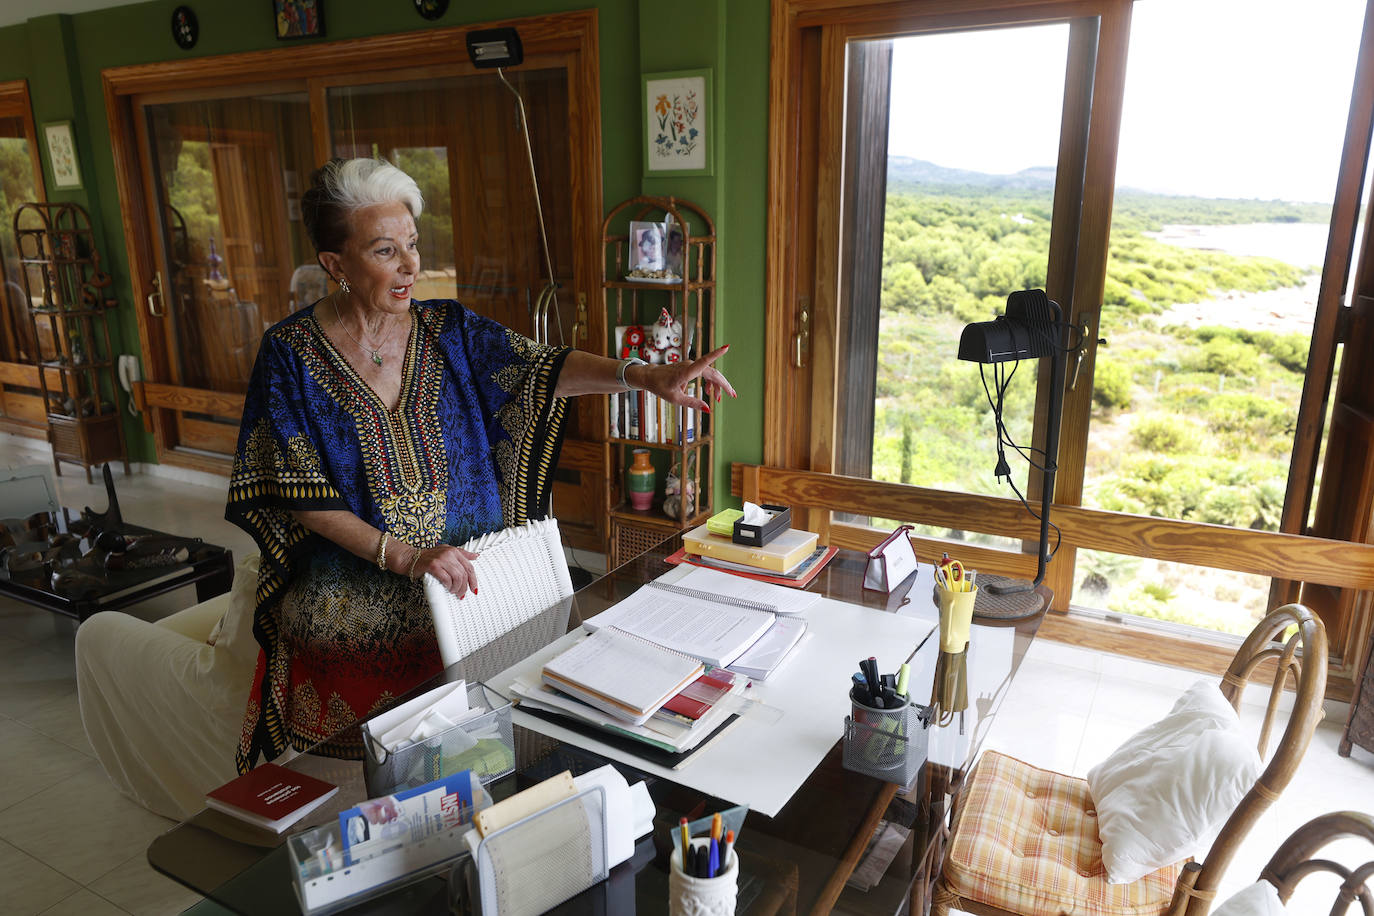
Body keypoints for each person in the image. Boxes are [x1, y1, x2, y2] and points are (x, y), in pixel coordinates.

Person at [227, 158, 734, 773]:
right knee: (395, 799)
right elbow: (298, 493)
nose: (411, 264)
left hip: (474, 605)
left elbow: (545, 370)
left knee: (507, 766)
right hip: (354, 620)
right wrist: (407, 556)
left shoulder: (451, 329)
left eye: (413, 244)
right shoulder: (290, 354)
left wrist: (644, 375)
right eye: (386, 250)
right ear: (335, 263)